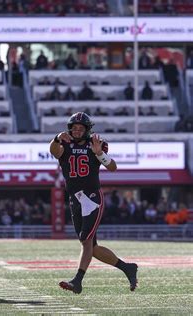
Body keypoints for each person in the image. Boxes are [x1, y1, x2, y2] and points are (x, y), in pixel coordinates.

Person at [49, 112, 138, 294]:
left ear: (87, 130)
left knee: (86, 240)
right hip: (75, 198)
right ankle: (127, 268)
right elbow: (53, 151)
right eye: (74, 128)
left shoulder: (96, 144)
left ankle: (78, 280)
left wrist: (99, 154)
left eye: (81, 128)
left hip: (92, 198)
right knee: (92, 247)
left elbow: (112, 167)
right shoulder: (63, 143)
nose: (77, 131)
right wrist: (56, 138)